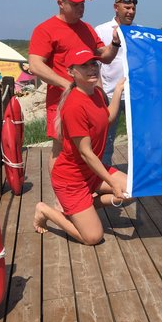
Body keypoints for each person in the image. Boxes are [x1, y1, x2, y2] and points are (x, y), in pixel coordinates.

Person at [33, 49, 133, 245]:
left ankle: (83, 208)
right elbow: (86, 153)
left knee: (133, 190)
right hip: (72, 180)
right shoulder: (74, 105)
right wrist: (111, 184)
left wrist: (119, 89)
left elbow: (108, 118)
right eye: (84, 65)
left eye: (94, 64)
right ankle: (45, 210)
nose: (92, 68)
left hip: (91, 173)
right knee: (93, 237)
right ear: (71, 72)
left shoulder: (95, 93)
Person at [29, 0, 121, 172]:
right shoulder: (45, 29)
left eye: (83, 3)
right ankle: (60, 199)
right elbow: (35, 65)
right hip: (62, 101)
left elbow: (105, 57)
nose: (81, 7)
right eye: (76, 3)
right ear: (60, 3)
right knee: (61, 150)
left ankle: (84, 192)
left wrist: (115, 43)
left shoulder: (87, 28)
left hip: (90, 101)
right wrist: (68, 85)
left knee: (90, 148)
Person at [95, 0, 137, 165]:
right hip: (109, 94)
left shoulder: (139, 31)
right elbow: (96, 63)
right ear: (116, 7)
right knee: (106, 139)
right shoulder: (101, 30)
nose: (131, 11)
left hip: (134, 95)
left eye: (133, 8)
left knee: (138, 138)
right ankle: (103, 177)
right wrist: (99, 92)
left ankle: (138, 177)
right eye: (127, 8)